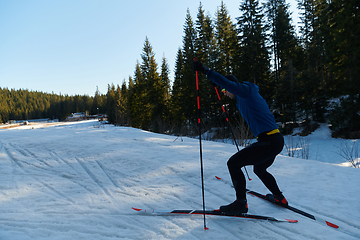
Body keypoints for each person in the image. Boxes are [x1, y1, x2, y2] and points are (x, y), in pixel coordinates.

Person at [193, 61, 288, 215]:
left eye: (225, 89)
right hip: (273, 140)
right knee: (259, 168)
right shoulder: (242, 98)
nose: (224, 92)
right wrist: (216, 84)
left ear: (232, 86)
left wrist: (206, 71)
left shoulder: (246, 91)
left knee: (233, 163)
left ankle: (240, 204)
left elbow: (227, 83)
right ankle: (279, 198)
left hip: (270, 141)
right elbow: (225, 86)